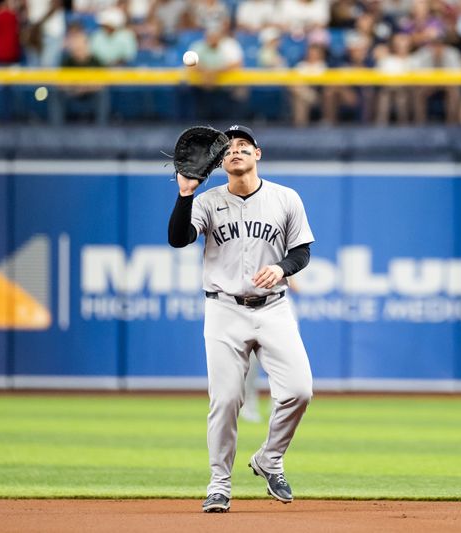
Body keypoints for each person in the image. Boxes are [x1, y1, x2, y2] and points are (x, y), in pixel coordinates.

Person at [168, 125, 314, 513]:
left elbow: (301, 252)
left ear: (257, 154)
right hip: (223, 309)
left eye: (243, 146)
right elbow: (178, 238)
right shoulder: (207, 201)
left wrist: (282, 268)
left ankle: (270, 458)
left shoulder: (286, 198)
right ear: (221, 161)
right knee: (227, 399)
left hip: (273, 307)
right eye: (229, 148)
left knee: (300, 391)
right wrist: (185, 195)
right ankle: (219, 484)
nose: (235, 151)